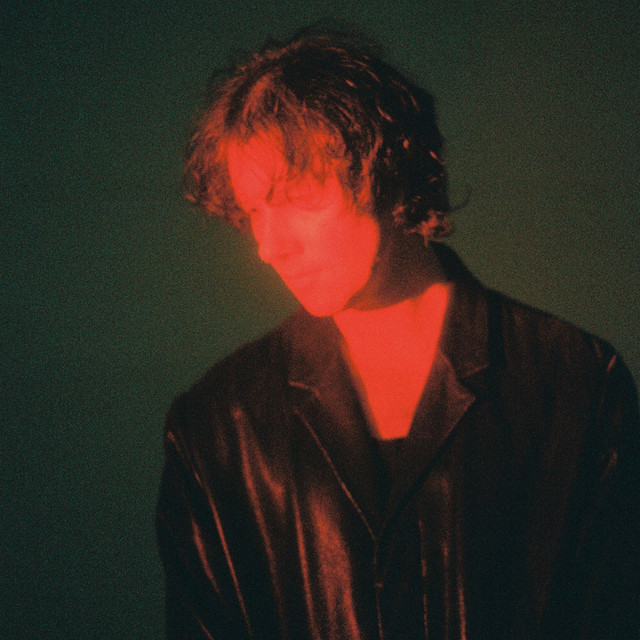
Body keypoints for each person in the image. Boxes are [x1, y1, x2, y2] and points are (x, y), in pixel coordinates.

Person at [156, 28, 640, 639]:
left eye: (298, 196)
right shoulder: (218, 426)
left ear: (385, 171)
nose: (269, 247)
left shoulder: (575, 383)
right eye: (255, 210)